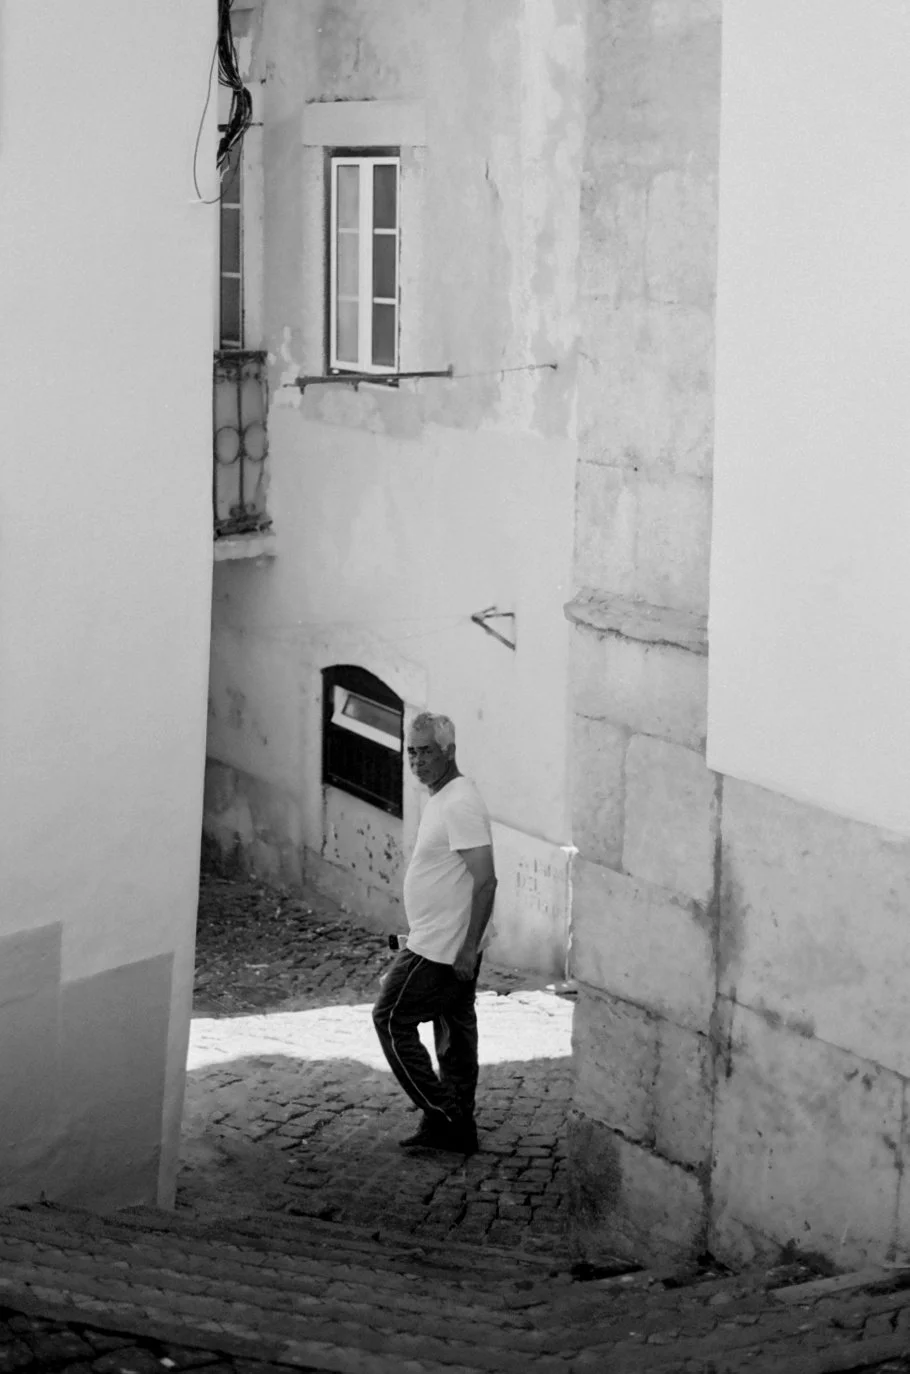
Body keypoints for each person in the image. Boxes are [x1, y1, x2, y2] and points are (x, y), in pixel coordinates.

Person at [372, 711, 497, 1155]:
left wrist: (466, 949)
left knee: (389, 1018)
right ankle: (451, 1120)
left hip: (444, 948)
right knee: (454, 1035)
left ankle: (447, 1117)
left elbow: (486, 881)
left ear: (449, 751)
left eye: (426, 751)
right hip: (444, 940)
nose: (417, 760)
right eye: (411, 751)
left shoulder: (459, 802)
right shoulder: (444, 798)